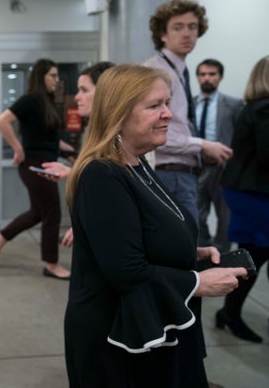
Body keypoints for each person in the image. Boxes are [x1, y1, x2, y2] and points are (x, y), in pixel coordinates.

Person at [63, 64, 246, 387]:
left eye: (167, 103)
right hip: (115, 339)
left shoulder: (136, 163)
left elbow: (145, 235)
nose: (168, 115)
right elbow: (126, 269)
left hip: (148, 323)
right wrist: (196, 282)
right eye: (154, 106)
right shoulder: (102, 175)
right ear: (119, 113)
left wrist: (191, 253)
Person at [143, 0, 233, 227]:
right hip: (170, 173)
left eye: (192, 27)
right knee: (184, 250)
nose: (187, 34)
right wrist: (203, 145)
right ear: (163, 34)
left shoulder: (177, 69)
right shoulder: (157, 71)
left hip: (182, 173)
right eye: (178, 27)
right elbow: (152, 131)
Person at [0, 58, 73, 279]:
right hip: (35, 164)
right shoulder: (32, 100)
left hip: (46, 161)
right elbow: (2, 121)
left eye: (57, 76)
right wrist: (18, 148)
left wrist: (69, 152)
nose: (56, 80)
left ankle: (0, 238)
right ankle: (51, 264)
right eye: (52, 75)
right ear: (41, 77)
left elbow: (47, 138)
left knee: (39, 212)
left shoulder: (47, 101)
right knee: (52, 212)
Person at [216, 55, 269, 343]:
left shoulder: (257, 107)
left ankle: (229, 313)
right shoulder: (265, 109)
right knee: (252, 257)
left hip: (251, 192)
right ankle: (230, 314)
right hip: (254, 195)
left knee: (254, 255)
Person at [40, 61, 115, 248]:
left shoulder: (114, 135)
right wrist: (70, 171)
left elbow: (113, 188)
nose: (77, 97)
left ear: (105, 92)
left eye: (84, 90)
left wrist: (89, 220)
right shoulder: (97, 131)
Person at [194, 59, 242, 252]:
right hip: (195, 167)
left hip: (224, 169)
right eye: (203, 74)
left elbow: (241, 138)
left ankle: (222, 256)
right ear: (198, 77)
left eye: (212, 74)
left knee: (226, 217)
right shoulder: (190, 104)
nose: (207, 78)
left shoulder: (234, 104)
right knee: (195, 214)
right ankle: (205, 251)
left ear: (220, 77)